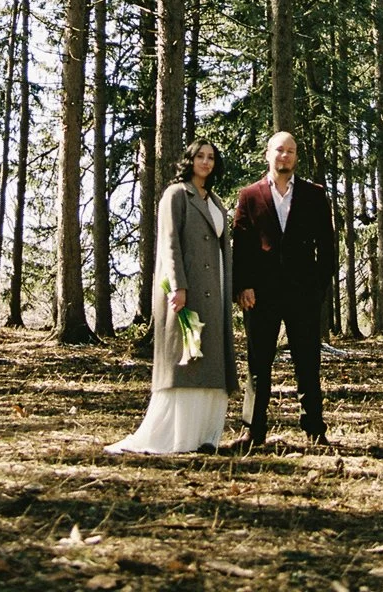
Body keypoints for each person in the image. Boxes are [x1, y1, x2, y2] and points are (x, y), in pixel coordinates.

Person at [106, 138, 237, 454]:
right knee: (186, 361)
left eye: (211, 157)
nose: (206, 162)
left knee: (211, 363)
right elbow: (169, 243)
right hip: (186, 290)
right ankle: (175, 436)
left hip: (215, 289)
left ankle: (205, 436)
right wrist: (178, 285)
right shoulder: (176, 195)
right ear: (189, 160)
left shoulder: (216, 201)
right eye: (200, 156)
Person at [231, 130, 336, 449]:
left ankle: (315, 431)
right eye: (279, 150)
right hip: (260, 294)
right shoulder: (249, 195)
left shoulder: (314, 194)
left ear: (296, 157)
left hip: (303, 292)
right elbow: (241, 247)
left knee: (307, 362)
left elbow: (327, 247)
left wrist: (319, 286)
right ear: (268, 154)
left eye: (290, 151)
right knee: (258, 363)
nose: (284, 156)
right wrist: (242, 285)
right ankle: (253, 431)